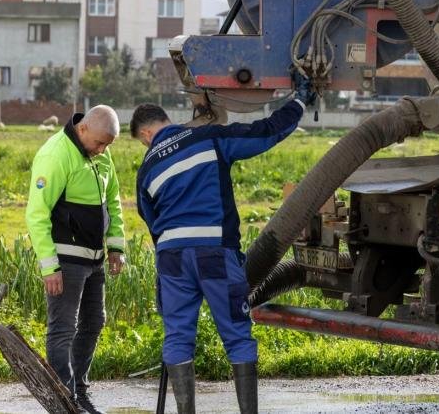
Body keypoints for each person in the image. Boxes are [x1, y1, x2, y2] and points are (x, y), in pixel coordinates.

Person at [130, 75, 317, 414]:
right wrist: (299, 102)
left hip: (172, 259)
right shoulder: (208, 139)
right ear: (164, 121)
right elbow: (264, 133)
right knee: (236, 333)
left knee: (177, 336)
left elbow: (151, 222)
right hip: (214, 252)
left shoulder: (147, 169)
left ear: (145, 134)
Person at [26, 105, 126, 414]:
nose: (102, 150)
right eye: (99, 143)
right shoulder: (55, 155)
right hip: (65, 259)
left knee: (94, 322)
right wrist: (49, 266)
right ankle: (65, 403)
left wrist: (116, 246)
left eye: (107, 145)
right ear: (83, 129)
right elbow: (36, 214)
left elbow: (112, 200)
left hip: (95, 258)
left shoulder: (100, 152)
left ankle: (79, 394)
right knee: (63, 329)